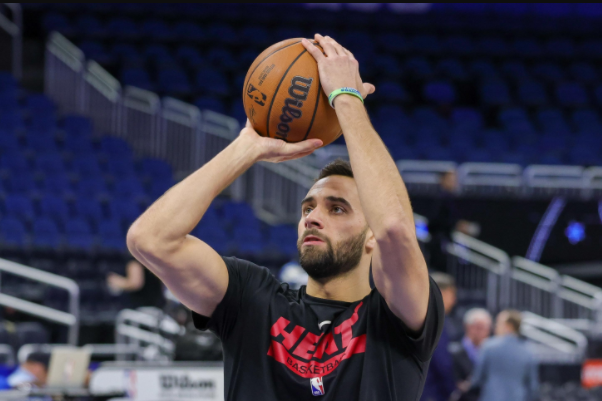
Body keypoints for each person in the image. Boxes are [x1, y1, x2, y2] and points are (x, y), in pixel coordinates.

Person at [126, 34, 444, 401]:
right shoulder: (251, 299)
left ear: (371, 236)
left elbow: (395, 229)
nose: (313, 218)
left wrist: (346, 98)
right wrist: (246, 147)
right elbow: (150, 240)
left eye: (337, 208)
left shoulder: (394, 316)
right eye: (308, 208)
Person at [471, 310, 538, 401]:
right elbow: (532, 387)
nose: (495, 326)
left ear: (509, 326)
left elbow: (477, 379)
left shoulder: (488, 346)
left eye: (498, 323)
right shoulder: (528, 351)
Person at [421, 273, 457, 401]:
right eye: (452, 294)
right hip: (431, 392)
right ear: (440, 292)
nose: (454, 301)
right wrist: (452, 390)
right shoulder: (435, 319)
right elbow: (441, 361)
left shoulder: (418, 316)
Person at [450, 308, 492, 401]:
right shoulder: (454, 352)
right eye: (479, 327)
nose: (484, 332)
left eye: (487, 328)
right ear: (468, 327)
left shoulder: (492, 353)